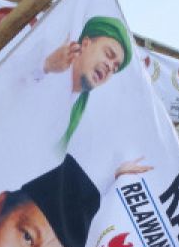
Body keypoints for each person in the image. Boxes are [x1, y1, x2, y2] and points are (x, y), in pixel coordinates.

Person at [40, 15, 133, 151]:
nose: (109, 67)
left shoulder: (80, 117)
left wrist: (115, 171)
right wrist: (45, 66)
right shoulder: (43, 64)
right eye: (108, 54)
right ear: (85, 44)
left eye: (115, 68)